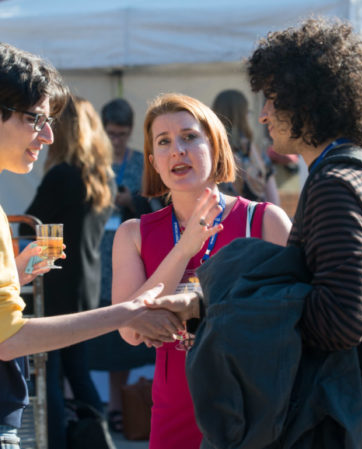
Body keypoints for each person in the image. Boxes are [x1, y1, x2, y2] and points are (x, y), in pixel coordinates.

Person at [0, 42, 183, 448]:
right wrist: (127, 313)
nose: (48, 135)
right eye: (36, 119)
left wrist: (11, 274)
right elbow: (9, 338)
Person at [246, 18, 362, 448]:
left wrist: (250, 310)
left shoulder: (335, 183)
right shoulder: (361, 170)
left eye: (273, 99)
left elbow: (343, 319)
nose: (263, 113)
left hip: (350, 422)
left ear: (309, 101)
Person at [111, 93, 291, 448]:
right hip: (173, 411)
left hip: (255, 408)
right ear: (154, 162)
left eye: (189, 136)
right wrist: (184, 249)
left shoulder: (265, 220)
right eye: (163, 142)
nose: (177, 149)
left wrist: (190, 308)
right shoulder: (133, 233)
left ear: (216, 145)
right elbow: (129, 332)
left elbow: (294, 318)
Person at [23, 95, 114, 449]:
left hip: (57, 284)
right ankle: (99, 438)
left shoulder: (62, 175)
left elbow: (35, 226)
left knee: (51, 376)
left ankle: (58, 443)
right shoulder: (101, 175)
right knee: (77, 370)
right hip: (85, 284)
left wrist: (25, 271)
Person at [90, 97, 158, 433]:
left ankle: (122, 404)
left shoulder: (140, 163)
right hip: (97, 256)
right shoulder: (92, 163)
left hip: (130, 255)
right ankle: (105, 406)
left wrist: (132, 201)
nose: (116, 140)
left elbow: (156, 205)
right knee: (99, 335)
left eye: (121, 134)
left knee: (125, 332)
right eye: (111, 134)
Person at [212, 89, 279, 205]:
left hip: (222, 218)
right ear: (244, 114)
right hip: (256, 217)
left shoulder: (210, 151)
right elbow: (273, 198)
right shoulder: (255, 151)